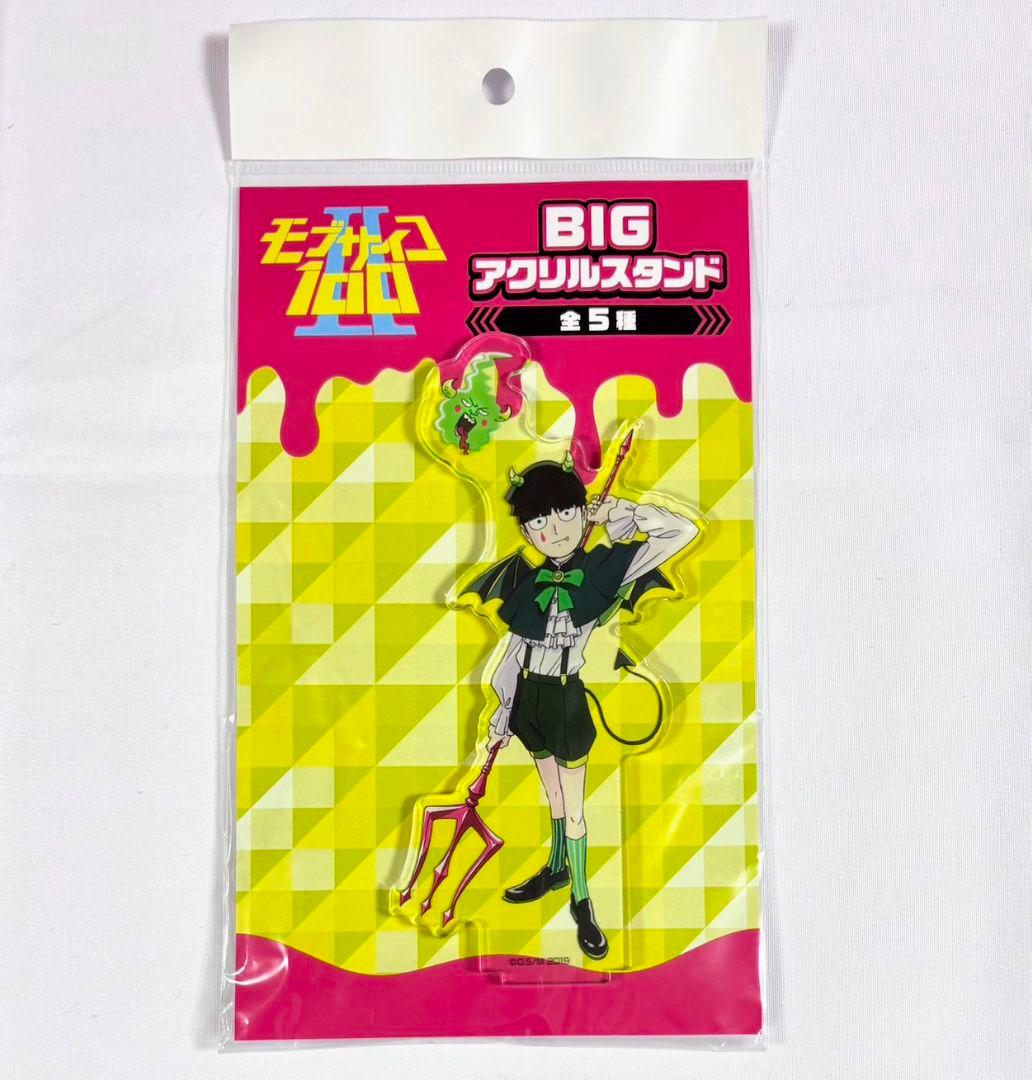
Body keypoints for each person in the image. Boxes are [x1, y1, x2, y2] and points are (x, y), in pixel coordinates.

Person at [464, 453, 698, 960]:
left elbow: (683, 532)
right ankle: (556, 869)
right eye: (538, 521)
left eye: (565, 513)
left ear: (581, 509)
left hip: (567, 700)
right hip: (529, 700)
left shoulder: (602, 571)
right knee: (553, 797)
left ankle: (582, 900)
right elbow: (515, 652)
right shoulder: (526, 581)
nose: (553, 529)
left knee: (574, 809)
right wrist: (502, 712)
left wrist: (623, 512)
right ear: (525, 531)